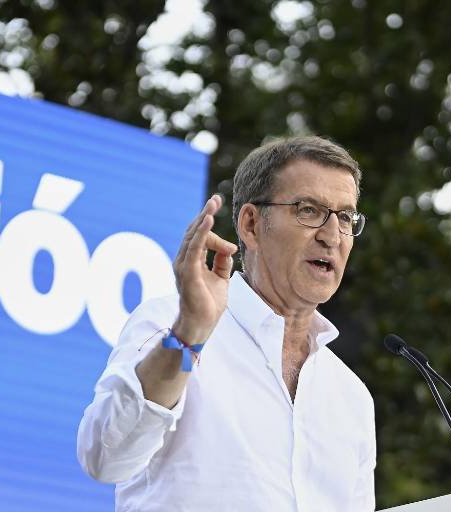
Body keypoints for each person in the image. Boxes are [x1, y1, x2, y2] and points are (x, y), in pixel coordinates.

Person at [77, 136, 376, 511]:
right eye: (309, 211)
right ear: (251, 225)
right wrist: (189, 334)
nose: (332, 236)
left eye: (345, 217)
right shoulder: (170, 324)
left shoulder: (351, 396)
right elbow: (106, 458)